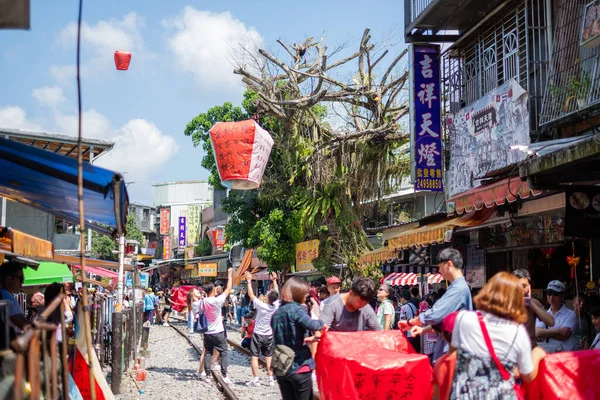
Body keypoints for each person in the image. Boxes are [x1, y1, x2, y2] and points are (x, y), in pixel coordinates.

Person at [449, 272, 547, 398]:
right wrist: (537, 353)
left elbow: (452, 357)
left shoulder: (463, 319)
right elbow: (528, 376)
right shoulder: (518, 331)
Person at [400, 248, 472, 361]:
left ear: (449, 264)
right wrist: (422, 330)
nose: (439, 270)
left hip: (452, 354)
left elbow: (436, 314)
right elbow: (443, 322)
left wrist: (411, 322)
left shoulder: (458, 289)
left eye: (440, 266)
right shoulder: (457, 287)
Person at [271, 277, 324, 400]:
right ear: (298, 293)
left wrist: (307, 340)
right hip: (299, 365)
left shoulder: (277, 313)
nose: (306, 296)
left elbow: (284, 337)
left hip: (281, 367)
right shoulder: (296, 309)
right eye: (304, 293)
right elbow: (313, 325)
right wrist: (322, 322)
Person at [245, 271, 280, 387]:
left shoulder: (262, 305)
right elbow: (277, 293)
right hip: (269, 335)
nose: (265, 295)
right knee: (269, 357)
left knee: (254, 357)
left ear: (268, 298)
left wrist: (249, 281)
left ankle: (256, 380)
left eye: (267, 294)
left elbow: (251, 295)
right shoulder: (275, 306)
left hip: (258, 334)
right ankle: (270, 379)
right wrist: (274, 280)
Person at [200, 268, 233, 383]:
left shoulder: (203, 301)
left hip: (207, 332)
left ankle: (208, 374)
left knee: (208, 352)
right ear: (212, 290)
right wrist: (229, 274)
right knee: (223, 352)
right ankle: (224, 375)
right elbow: (228, 288)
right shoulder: (217, 301)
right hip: (218, 331)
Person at [512, 269, 555, 347]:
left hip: (530, 348)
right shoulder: (506, 303)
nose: (521, 290)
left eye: (524, 286)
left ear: (529, 286)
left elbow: (551, 322)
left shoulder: (534, 303)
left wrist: (531, 303)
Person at [535, 280, 577, 352]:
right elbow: (538, 332)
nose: (551, 297)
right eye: (549, 293)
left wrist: (545, 333)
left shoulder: (571, 314)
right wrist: (559, 331)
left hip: (565, 356)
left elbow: (564, 336)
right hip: (548, 356)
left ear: (562, 296)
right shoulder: (543, 314)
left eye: (555, 294)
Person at [0, 260, 32, 335]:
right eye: (21, 279)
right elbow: (25, 325)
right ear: (9, 279)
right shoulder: (7, 298)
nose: (22, 284)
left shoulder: (2, 295)